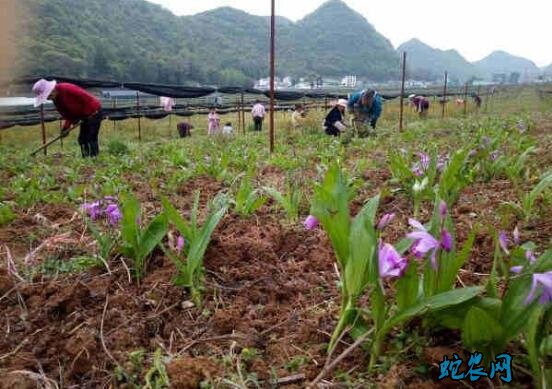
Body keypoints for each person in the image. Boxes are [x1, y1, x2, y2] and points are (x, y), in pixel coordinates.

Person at [32, 79, 103, 158]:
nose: (48, 98)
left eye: (48, 96)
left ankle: (94, 158)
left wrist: (88, 116)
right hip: (84, 116)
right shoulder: (57, 101)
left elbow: (86, 98)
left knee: (91, 137)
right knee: (82, 139)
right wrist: (65, 128)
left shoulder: (67, 88)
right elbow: (67, 115)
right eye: (47, 97)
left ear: (52, 90)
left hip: (94, 112)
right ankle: (86, 158)